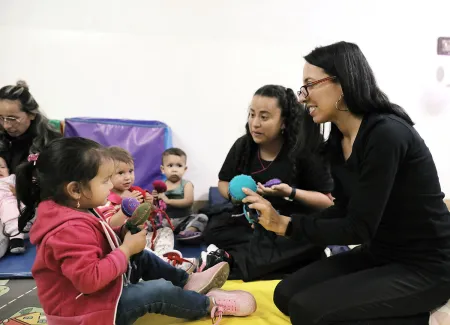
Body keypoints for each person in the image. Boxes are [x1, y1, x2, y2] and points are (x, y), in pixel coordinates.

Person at [242, 41, 450, 324]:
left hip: (426, 266)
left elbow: (358, 228)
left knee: (307, 311)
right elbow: (343, 211)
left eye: (310, 84)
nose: (303, 97)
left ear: (342, 83)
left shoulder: (386, 134)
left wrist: (285, 225)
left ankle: (418, 315)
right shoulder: (339, 141)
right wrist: (282, 220)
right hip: (380, 254)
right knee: (286, 294)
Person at [16, 137, 257, 325]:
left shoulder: (75, 207)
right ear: (75, 189)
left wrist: (122, 236)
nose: (111, 185)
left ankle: (187, 282)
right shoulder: (66, 229)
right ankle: (207, 304)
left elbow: (97, 242)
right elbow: (89, 280)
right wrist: (125, 248)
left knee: (140, 256)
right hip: (84, 315)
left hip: (98, 296)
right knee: (155, 292)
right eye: (104, 181)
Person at [202, 84, 334, 281]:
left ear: (283, 122)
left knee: (309, 239)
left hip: (288, 225)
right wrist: (236, 195)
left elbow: (327, 201)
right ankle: (268, 260)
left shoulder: (305, 151)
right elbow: (223, 182)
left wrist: (290, 192)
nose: (255, 123)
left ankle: (235, 262)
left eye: (264, 117)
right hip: (252, 223)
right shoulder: (243, 145)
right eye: (252, 114)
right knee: (214, 229)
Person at [99, 146, 196, 274]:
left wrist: (150, 205)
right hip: (126, 241)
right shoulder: (105, 197)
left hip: (144, 234)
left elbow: (150, 215)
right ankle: (163, 266)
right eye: (121, 173)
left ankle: (163, 258)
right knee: (140, 247)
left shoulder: (135, 191)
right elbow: (111, 224)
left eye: (131, 171)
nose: (128, 177)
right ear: (107, 176)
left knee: (166, 231)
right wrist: (126, 207)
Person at [0, 80, 60, 174]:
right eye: (1, 118)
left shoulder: (51, 144)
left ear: (32, 114)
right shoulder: (2, 136)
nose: (6, 125)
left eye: (12, 118)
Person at [154, 148, 209, 242]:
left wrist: (168, 200)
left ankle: (188, 232)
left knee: (202, 217)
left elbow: (188, 201)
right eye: (170, 165)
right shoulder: (161, 186)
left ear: (185, 169)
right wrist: (153, 199)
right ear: (163, 169)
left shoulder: (186, 184)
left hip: (184, 221)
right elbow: (156, 208)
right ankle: (158, 233)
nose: (174, 170)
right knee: (150, 221)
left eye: (179, 166)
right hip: (165, 221)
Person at [0, 154, 25, 255]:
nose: (0, 170)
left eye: (2, 167)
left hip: (15, 214)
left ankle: (16, 239)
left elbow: (25, 193)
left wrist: (17, 193)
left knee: (9, 205)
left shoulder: (11, 180)